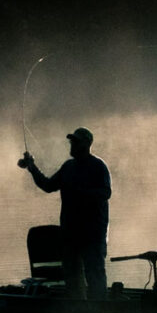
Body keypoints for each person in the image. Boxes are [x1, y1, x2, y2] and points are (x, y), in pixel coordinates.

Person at [19, 127, 112, 300]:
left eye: (75, 142)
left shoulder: (98, 166)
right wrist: (32, 167)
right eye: (71, 141)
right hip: (71, 234)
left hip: (93, 234)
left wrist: (79, 192)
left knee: (95, 276)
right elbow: (47, 185)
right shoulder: (68, 167)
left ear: (86, 144)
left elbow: (105, 193)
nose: (72, 145)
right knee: (72, 278)